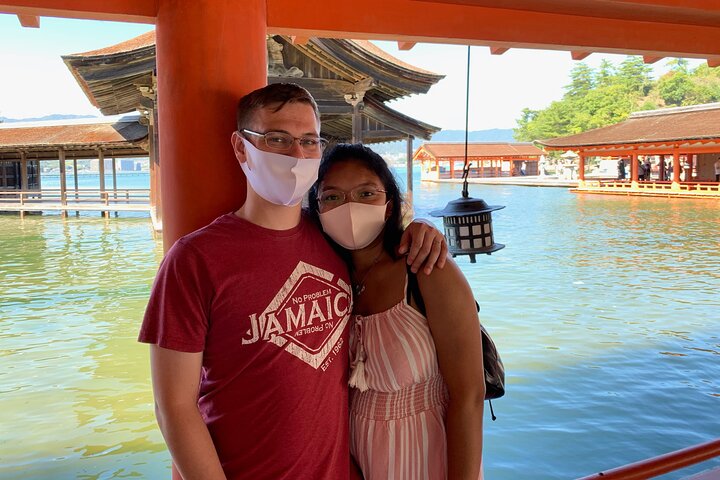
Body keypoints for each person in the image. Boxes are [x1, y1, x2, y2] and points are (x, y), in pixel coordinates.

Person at [138, 83, 448, 480]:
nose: (298, 155)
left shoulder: (334, 239)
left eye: (310, 141)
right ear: (241, 148)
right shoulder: (194, 259)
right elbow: (174, 407)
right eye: (278, 139)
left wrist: (422, 229)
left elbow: (380, 245)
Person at [309, 143, 485, 480]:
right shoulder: (324, 279)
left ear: (389, 206)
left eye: (366, 193)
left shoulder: (425, 268)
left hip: (426, 455)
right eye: (332, 197)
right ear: (316, 209)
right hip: (353, 462)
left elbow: (469, 396)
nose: (350, 207)